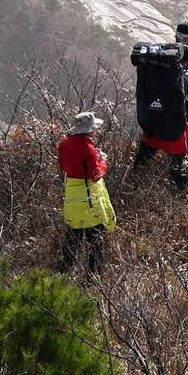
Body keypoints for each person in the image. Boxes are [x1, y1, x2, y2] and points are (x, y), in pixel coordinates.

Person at [131, 42, 188, 190]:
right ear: (187, 61)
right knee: (177, 164)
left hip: (152, 123)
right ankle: (177, 194)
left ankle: (132, 185)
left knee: (143, 159)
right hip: (175, 125)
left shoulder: (154, 72)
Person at [57, 111, 117, 274]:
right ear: (88, 130)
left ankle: (64, 272)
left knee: (73, 233)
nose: (95, 131)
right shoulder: (88, 148)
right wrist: (102, 162)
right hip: (88, 197)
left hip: (71, 195)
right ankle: (93, 275)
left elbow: (62, 165)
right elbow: (95, 175)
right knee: (94, 236)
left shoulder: (65, 143)